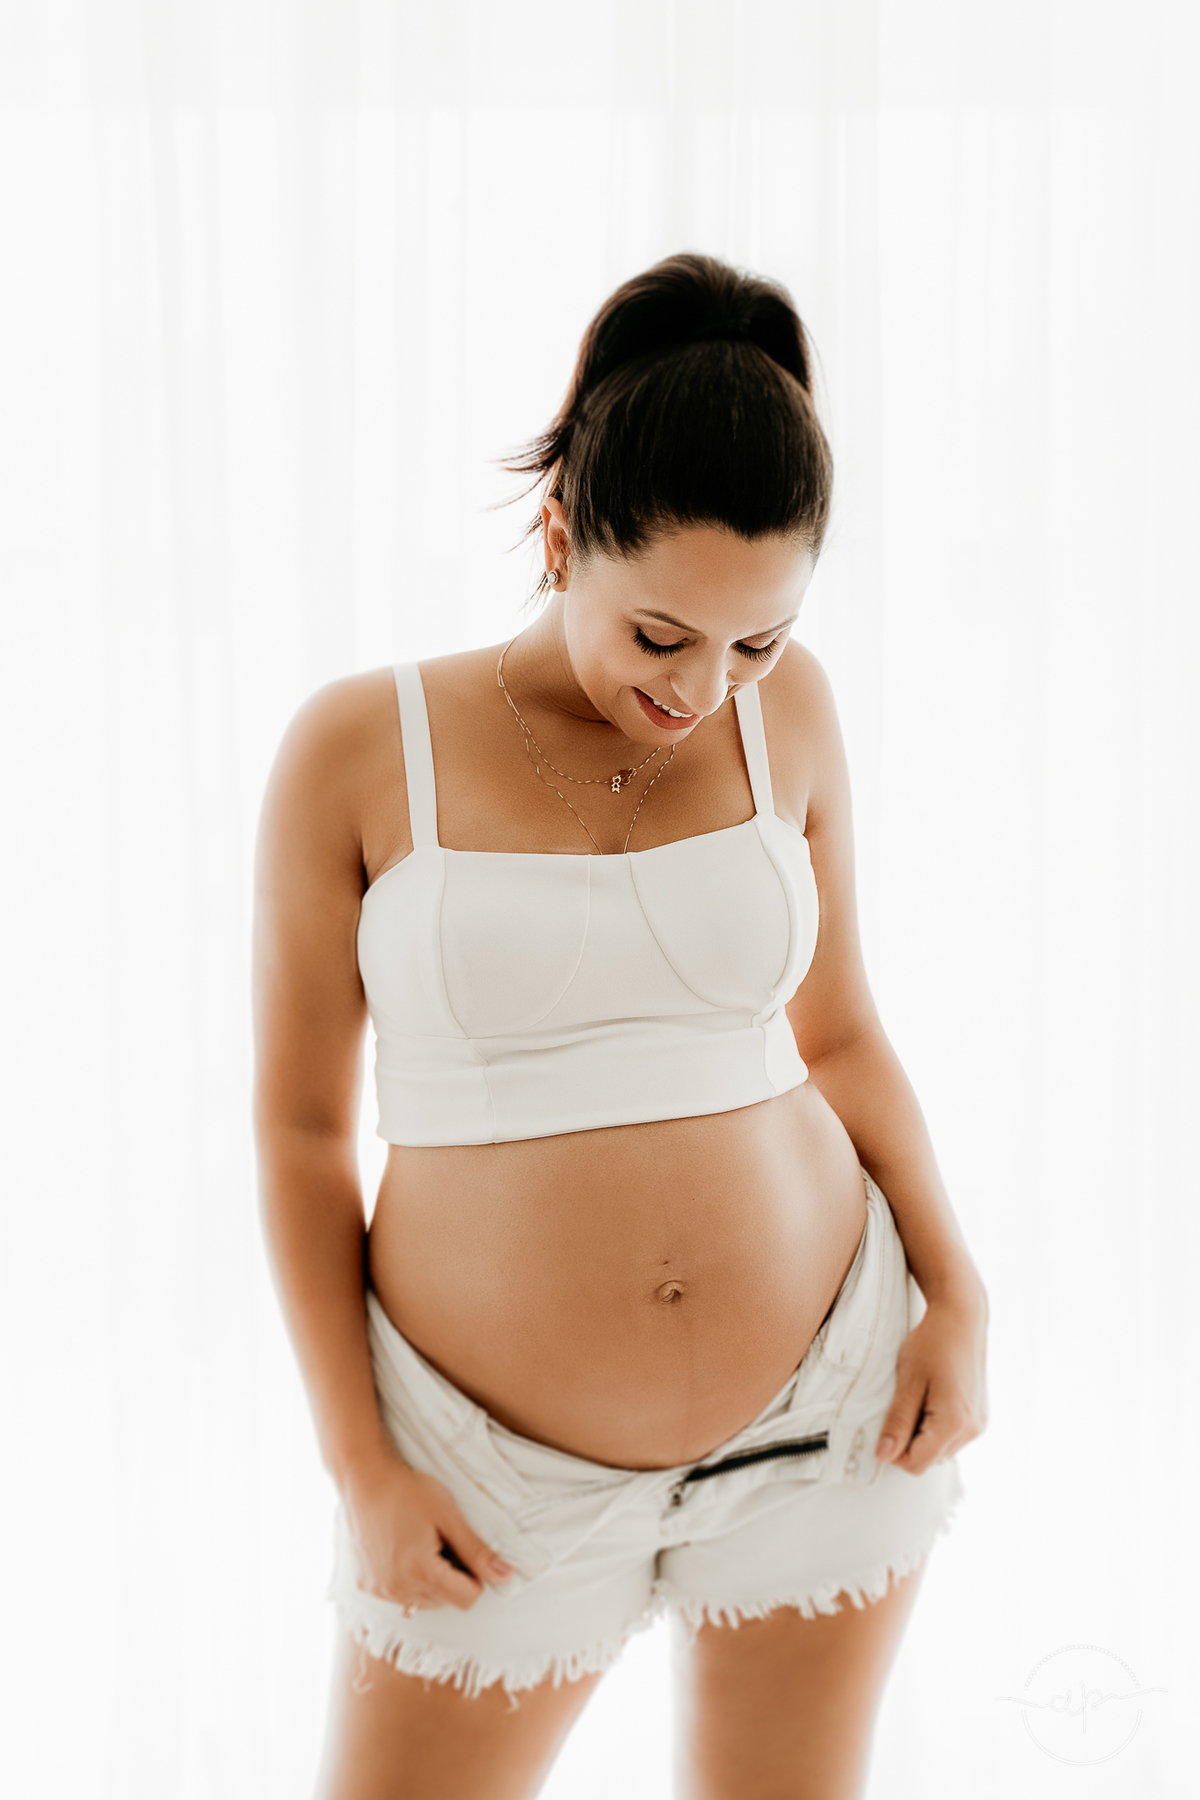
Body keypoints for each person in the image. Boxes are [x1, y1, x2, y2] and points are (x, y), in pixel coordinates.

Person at [252, 252, 989, 1800]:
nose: (706, 689)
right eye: (661, 636)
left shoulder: (793, 713)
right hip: (487, 1476)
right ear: (557, 535)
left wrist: (961, 1295)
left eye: (756, 642)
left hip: (826, 1416)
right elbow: (303, 1131)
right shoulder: (359, 749)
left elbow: (845, 1036)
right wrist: (360, 1464)